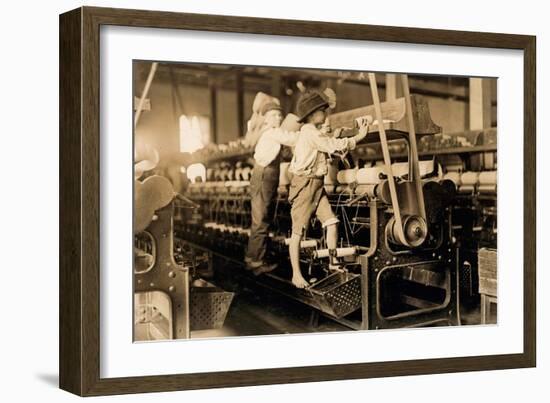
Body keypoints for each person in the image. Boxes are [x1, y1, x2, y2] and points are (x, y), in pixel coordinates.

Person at [287, 90, 370, 288]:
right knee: (298, 233)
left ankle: (333, 262)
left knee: (331, 222)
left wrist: (335, 135)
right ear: (313, 114)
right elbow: (332, 145)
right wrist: (359, 137)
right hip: (305, 185)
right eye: (323, 110)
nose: (325, 113)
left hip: (316, 185)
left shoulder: (312, 132)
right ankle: (296, 274)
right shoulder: (309, 132)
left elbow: (326, 144)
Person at [245, 101, 300, 274]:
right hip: (264, 176)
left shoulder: (268, 133)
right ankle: (256, 262)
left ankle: (252, 257)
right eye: (274, 115)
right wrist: (311, 133)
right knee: (261, 219)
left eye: (279, 115)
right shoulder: (272, 132)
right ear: (267, 119)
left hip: (266, 175)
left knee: (261, 219)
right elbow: (293, 138)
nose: (278, 117)